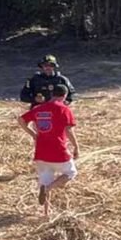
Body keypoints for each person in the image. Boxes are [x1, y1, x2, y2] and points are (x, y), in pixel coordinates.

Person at [18, 85, 79, 216]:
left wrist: (33, 134)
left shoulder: (38, 109)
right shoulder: (64, 109)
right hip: (58, 150)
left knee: (45, 179)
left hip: (41, 151)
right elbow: (68, 130)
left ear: (52, 95)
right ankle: (48, 189)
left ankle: (46, 213)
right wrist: (76, 147)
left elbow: (21, 120)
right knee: (71, 172)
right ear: (64, 95)